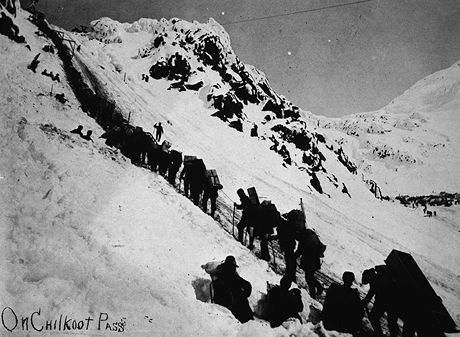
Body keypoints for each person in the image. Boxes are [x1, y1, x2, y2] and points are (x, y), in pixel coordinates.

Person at [208, 256, 254, 323]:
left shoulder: (232, 277)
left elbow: (247, 285)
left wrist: (244, 295)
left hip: (236, 305)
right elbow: (247, 285)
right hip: (232, 308)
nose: (233, 269)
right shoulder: (229, 278)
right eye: (232, 267)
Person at [362, 266, 399, 337]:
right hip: (393, 301)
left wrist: (365, 301)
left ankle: (379, 334)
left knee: (373, 317)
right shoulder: (377, 275)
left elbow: (371, 292)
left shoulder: (375, 279)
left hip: (384, 301)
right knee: (392, 322)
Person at [294, 228, 324, 299]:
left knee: (309, 278)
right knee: (310, 276)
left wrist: (293, 257)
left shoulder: (304, 237)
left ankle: (313, 296)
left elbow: (300, 250)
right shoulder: (308, 233)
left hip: (310, 260)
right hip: (314, 258)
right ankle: (319, 288)